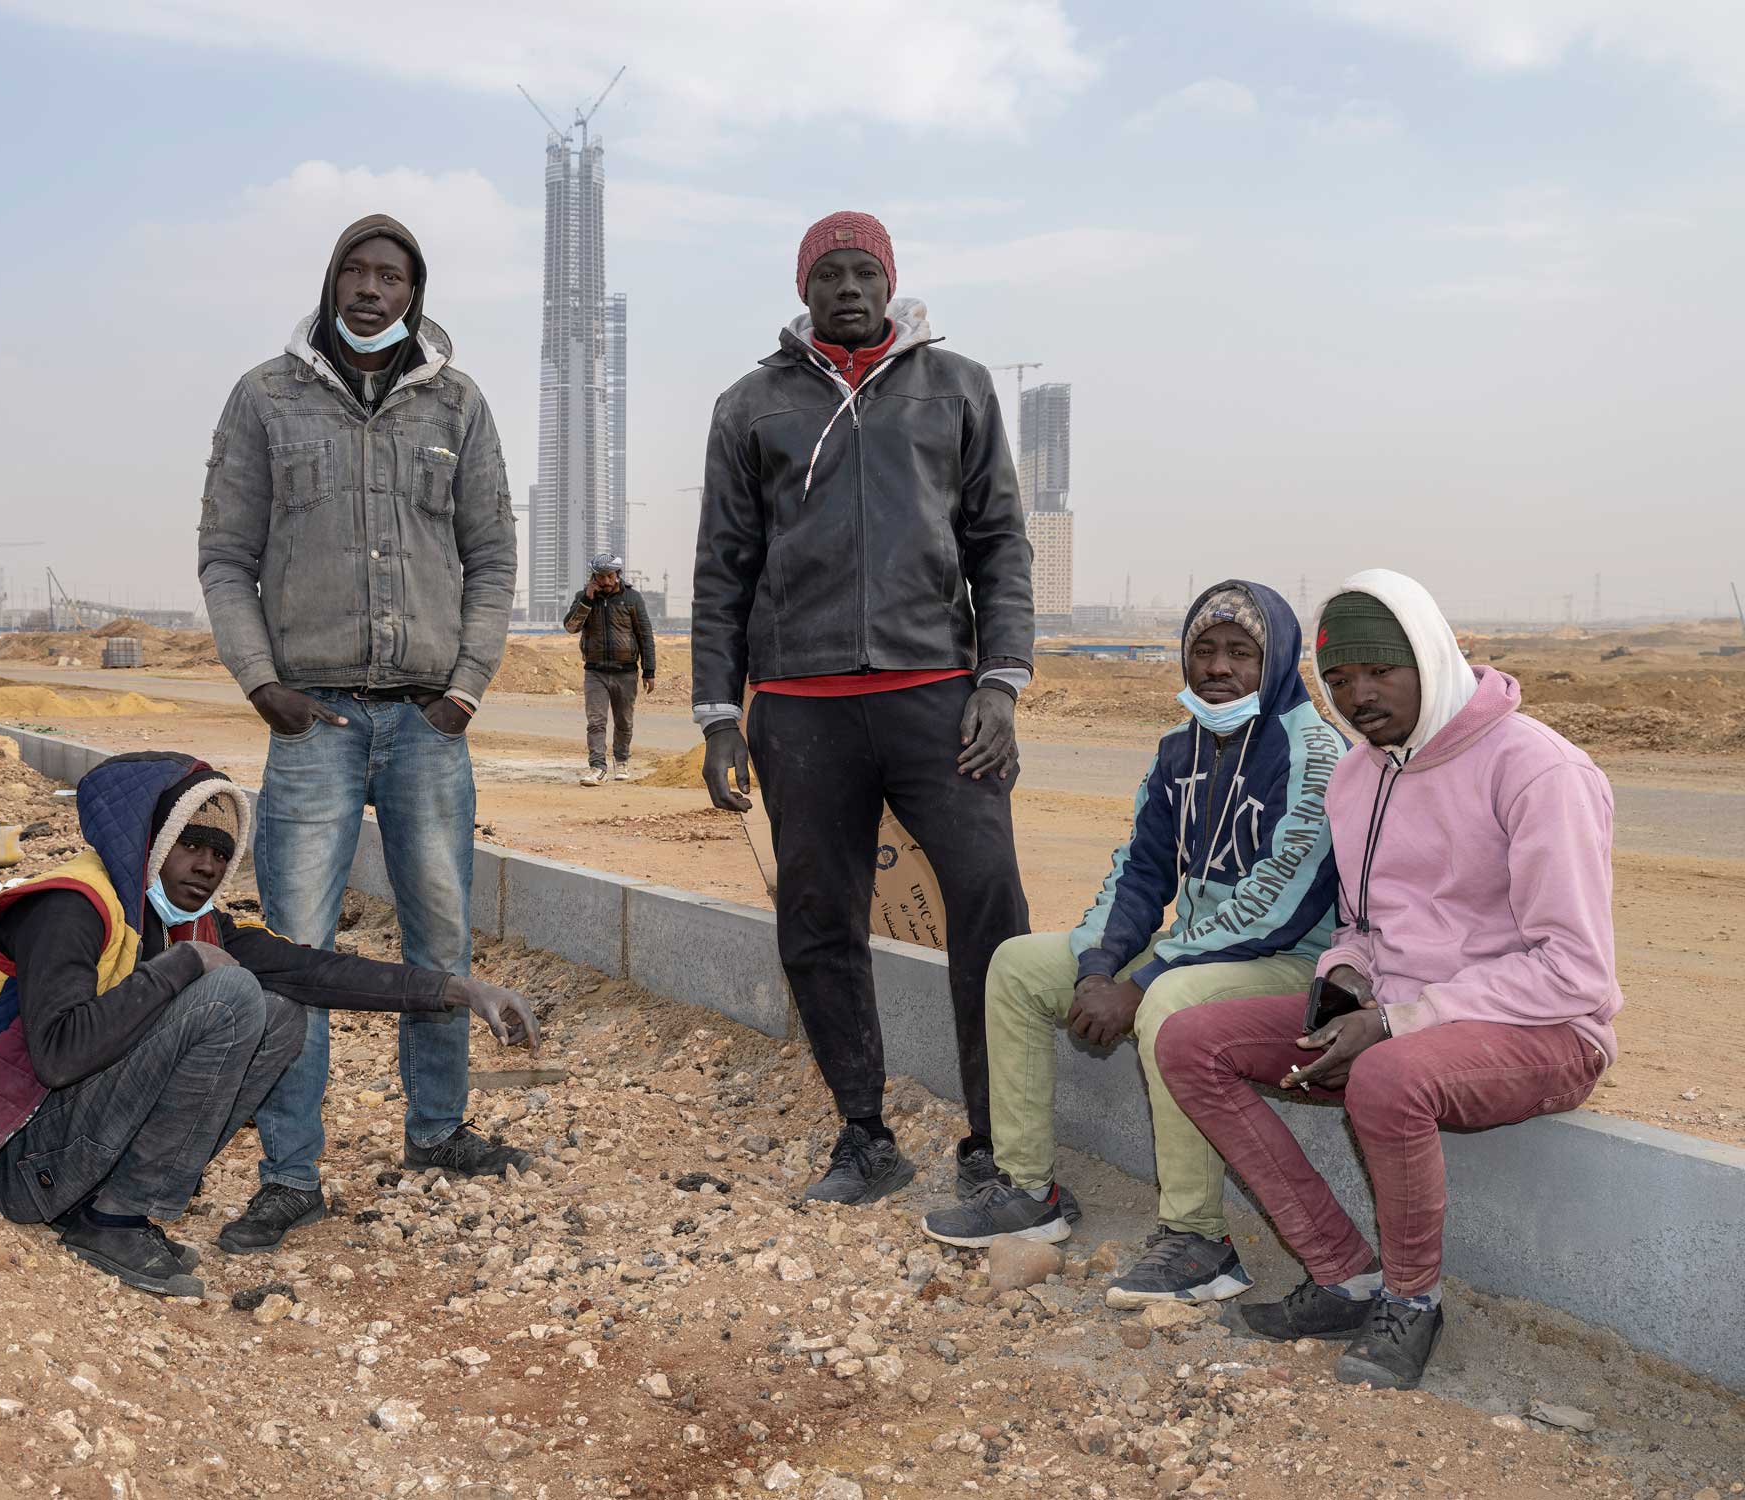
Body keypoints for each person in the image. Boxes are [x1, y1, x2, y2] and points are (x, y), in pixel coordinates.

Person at [1156, 570, 1622, 1390]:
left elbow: (1574, 971)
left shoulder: (1538, 770)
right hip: (1406, 1017)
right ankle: (1343, 1275)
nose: (1358, 695)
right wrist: (1344, 986)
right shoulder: (1361, 774)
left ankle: (1411, 1302)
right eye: (1338, 679)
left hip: (1546, 1031)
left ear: (1433, 658)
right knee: (1193, 1040)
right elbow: (1362, 926)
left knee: (1387, 1072)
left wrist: (1401, 1020)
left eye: (1380, 671)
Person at [0, 752, 539, 1298]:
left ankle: (107, 1206)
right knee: (228, 990)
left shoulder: (190, 924)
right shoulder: (73, 906)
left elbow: (312, 971)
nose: (206, 866)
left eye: (220, 853)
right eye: (191, 845)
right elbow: (59, 1057)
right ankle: (116, 1219)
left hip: (56, 1155)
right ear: (150, 842)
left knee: (278, 1009)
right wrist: (178, 968)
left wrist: (459, 988)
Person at [692, 210, 1035, 1206]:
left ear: (890, 284)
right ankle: (863, 1131)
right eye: (828, 274)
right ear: (803, 289)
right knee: (815, 916)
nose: (847, 288)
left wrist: (1001, 682)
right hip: (799, 709)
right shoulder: (749, 404)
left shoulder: (956, 387)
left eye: (864, 272)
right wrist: (719, 715)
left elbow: (999, 547)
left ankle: (993, 1138)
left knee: (989, 904)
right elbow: (722, 567)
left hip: (937, 698)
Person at [198, 212, 522, 1254]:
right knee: (296, 951)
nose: (372, 290)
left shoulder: (456, 405)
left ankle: (437, 1131)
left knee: (440, 937)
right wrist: (260, 683)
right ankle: (291, 1174)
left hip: (429, 722)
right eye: (356, 270)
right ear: (331, 280)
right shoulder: (265, 398)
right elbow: (223, 558)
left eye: (392, 276)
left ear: (414, 294)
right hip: (314, 721)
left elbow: (491, 557)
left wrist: (466, 687)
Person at [922, 583, 1344, 1292]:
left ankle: (1199, 1242)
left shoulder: (1314, 752)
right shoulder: (1180, 748)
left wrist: (1141, 982)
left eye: (1241, 653)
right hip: (1198, 951)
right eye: (1203, 650)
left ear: (1275, 663)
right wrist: (1099, 964)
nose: (1218, 668)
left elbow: (1281, 900)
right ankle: (1029, 1195)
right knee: (1020, 966)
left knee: (1170, 1002)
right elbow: (1142, 871)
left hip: (1291, 962)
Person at [564, 552, 656, 785]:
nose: (605, 581)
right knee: (596, 722)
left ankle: (621, 760)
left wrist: (649, 670)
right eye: (600, 577)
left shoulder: (632, 598)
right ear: (593, 577)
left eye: (609, 576)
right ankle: (597, 767)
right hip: (595, 672)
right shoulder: (583, 597)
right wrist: (587, 600)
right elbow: (571, 627)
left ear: (618, 575)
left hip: (626, 671)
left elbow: (644, 635)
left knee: (624, 721)